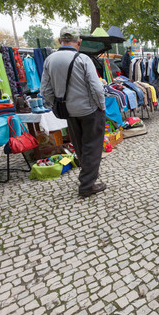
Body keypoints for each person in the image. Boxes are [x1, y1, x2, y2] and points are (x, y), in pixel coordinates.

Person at [40, 26, 107, 197]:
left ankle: (89, 175)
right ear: (79, 41)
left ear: (59, 40)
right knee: (92, 146)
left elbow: (45, 90)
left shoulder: (49, 60)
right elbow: (97, 89)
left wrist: (56, 104)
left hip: (68, 112)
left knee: (80, 146)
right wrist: (101, 106)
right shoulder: (83, 59)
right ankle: (86, 185)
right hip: (89, 110)